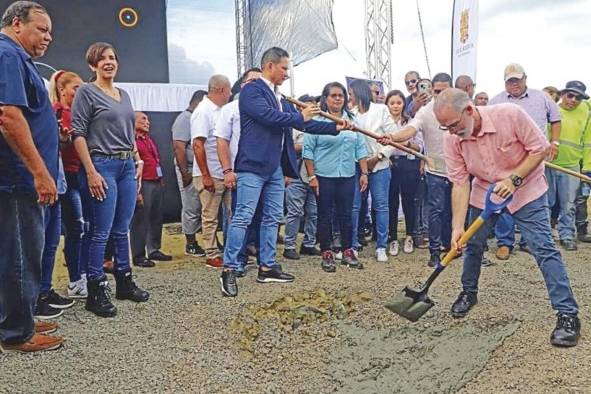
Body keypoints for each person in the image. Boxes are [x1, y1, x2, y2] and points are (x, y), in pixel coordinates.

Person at [434, 88, 581, 348]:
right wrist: (457, 228)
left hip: (526, 191)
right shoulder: (452, 139)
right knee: (473, 246)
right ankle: (469, 293)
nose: (451, 132)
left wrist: (514, 179)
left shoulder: (510, 115)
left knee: (544, 249)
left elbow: (540, 149)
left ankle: (567, 315)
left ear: (469, 110)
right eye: (444, 127)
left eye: (454, 125)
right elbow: (459, 183)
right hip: (484, 192)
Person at [220, 47, 349, 297]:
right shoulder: (252, 90)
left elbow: (305, 124)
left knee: (272, 218)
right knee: (243, 216)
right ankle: (230, 268)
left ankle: (267, 266)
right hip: (252, 166)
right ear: (270, 66)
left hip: (275, 168)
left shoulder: (281, 98)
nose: (287, 74)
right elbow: (270, 118)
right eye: (284, 68)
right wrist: (300, 116)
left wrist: (336, 127)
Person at [0, 0, 64, 352]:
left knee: (19, 253)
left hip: (19, 179)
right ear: (16, 24)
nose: (48, 38)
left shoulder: (17, 58)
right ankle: (17, 334)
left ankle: (18, 318)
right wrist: (40, 172)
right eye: (41, 29)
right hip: (17, 180)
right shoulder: (8, 55)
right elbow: (8, 116)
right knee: (21, 255)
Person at [72, 42, 149, 318]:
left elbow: (129, 133)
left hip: (126, 165)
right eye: (102, 58)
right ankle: (96, 289)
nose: (109, 62)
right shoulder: (86, 92)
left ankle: (124, 281)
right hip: (101, 164)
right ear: (92, 64)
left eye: (112, 57)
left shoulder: (124, 94)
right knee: (100, 230)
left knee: (121, 228)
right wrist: (91, 171)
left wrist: (137, 162)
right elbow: (77, 134)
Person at [380, 73, 454, 268]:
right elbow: (411, 129)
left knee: (452, 210)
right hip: (435, 168)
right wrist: (393, 137)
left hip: (459, 169)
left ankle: (451, 246)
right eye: (437, 91)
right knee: (435, 210)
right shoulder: (426, 111)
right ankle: (435, 252)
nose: (441, 95)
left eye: (445, 90)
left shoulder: (462, 107)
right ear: (431, 91)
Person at [490, 63, 561, 260]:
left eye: (517, 79)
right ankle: (505, 242)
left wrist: (554, 142)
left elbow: (555, 119)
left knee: (536, 198)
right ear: (505, 83)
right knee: (504, 200)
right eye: (510, 81)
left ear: (525, 78)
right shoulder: (495, 102)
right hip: (508, 162)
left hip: (536, 159)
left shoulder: (542, 98)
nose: (514, 84)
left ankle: (529, 241)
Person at [303, 82, 369, 272]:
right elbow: (308, 151)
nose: (338, 98)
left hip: (347, 174)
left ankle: (348, 251)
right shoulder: (316, 121)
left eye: (341, 95)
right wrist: (312, 177)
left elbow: (360, 148)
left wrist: (364, 173)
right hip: (324, 176)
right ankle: (327, 252)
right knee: (324, 216)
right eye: (333, 95)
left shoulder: (352, 120)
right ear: (326, 98)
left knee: (346, 214)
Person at [215, 67, 263, 276]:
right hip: (241, 172)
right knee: (240, 218)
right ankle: (237, 261)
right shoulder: (230, 109)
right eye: (251, 81)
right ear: (242, 85)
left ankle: (265, 260)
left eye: (260, 82)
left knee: (265, 218)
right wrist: (227, 171)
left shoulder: (269, 108)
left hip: (267, 173)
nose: (255, 85)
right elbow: (222, 141)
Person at [349, 79, 397, 262]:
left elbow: (392, 138)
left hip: (380, 165)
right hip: (356, 165)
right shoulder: (350, 114)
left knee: (381, 205)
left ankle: (381, 246)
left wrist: (378, 157)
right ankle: (352, 245)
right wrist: (362, 163)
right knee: (355, 206)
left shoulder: (381, 110)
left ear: (359, 93)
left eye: (351, 93)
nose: (349, 97)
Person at [50, 70, 87, 299]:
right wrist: (63, 140)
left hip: (83, 174)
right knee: (75, 227)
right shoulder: (54, 112)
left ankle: (83, 274)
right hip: (67, 177)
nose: (79, 92)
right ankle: (75, 279)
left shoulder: (81, 114)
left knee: (84, 228)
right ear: (62, 90)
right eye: (75, 88)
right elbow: (52, 146)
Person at [191, 74, 232, 268]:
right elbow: (198, 145)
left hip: (224, 171)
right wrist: (206, 175)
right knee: (210, 215)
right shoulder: (203, 111)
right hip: (210, 173)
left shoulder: (221, 111)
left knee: (232, 214)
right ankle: (211, 253)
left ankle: (231, 250)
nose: (231, 94)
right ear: (222, 90)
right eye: (229, 90)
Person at [546, 81, 591, 250]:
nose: (573, 100)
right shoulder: (552, 110)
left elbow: (587, 142)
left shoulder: (585, 113)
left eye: (578, 97)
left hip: (572, 166)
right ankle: (546, 237)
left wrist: (587, 166)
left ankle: (566, 235)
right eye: (569, 95)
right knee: (547, 203)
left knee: (569, 204)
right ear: (562, 94)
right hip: (549, 165)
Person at [130, 112, 172, 267]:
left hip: (155, 181)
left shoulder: (148, 139)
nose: (147, 122)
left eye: (147, 119)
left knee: (156, 217)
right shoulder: (131, 141)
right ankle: (138, 255)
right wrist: (137, 190)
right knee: (141, 219)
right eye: (143, 119)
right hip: (143, 183)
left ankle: (154, 249)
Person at [385, 90, 423, 256]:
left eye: (398, 103)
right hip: (389, 164)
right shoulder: (383, 122)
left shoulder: (411, 122)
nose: (395, 106)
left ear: (403, 105)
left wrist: (404, 141)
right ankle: (392, 237)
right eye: (392, 103)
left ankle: (409, 236)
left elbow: (419, 146)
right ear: (387, 104)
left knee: (409, 201)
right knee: (391, 202)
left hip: (409, 164)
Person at [283, 94, 321, 260]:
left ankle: (309, 243)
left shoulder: (319, 125)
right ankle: (289, 245)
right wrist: (307, 146)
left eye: (313, 106)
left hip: (316, 174)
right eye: (307, 106)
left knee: (313, 212)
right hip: (296, 173)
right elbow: (288, 147)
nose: (311, 110)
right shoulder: (292, 126)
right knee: (295, 212)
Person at [172, 90, 206, 257]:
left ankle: (209, 240)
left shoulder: (198, 118)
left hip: (201, 168)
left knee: (204, 207)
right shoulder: (185, 118)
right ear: (199, 102)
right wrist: (185, 172)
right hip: (190, 168)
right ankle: (190, 243)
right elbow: (179, 147)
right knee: (191, 206)